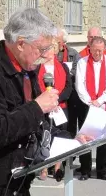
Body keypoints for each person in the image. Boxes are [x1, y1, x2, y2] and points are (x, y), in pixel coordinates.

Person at [0, 8, 92, 196]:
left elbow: (36, 122)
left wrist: (67, 141)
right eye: (42, 49)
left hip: (16, 179)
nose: (45, 56)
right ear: (20, 44)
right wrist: (37, 106)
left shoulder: (26, 68)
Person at [75, 36, 106, 181]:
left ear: (104, 49)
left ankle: (103, 170)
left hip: (103, 104)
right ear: (90, 48)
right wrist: (90, 102)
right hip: (86, 105)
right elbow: (80, 85)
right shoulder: (82, 62)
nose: (97, 53)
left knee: (104, 138)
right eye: (95, 50)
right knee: (85, 138)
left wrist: (99, 101)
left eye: (100, 50)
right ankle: (85, 169)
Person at [36, 37, 72, 181]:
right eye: (45, 48)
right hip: (44, 107)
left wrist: (57, 100)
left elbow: (68, 87)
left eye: (50, 48)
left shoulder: (63, 67)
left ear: (55, 50)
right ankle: (44, 167)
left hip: (60, 107)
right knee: (45, 135)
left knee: (60, 136)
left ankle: (58, 166)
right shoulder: (37, 66)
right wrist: (47, 100)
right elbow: (35, 86)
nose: (47, 51)